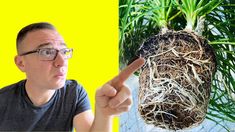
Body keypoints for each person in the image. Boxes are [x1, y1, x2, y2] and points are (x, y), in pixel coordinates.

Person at [0, 22, 145, 131]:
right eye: (47, 52)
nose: (62, 62)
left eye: (64, 51)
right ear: (21, 63)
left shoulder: (73, 93)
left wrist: (104, 115)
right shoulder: (3, 100)